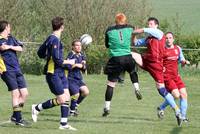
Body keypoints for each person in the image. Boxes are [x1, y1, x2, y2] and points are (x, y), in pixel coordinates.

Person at [131, 17, 183, 126]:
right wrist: (133, 35)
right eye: (148, 24)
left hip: (155, 64)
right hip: (147, 60)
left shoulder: (158, 33)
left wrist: (132, 31)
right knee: (130, 55)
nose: (149, 25)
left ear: (156, 25)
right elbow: (135, 43)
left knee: (161, 89)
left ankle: (177, 111)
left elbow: (142, 30)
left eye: (151, 24)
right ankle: (124, 77)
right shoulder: (149, 38)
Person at [31, 17, 77, 130]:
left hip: (60, 72)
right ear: (62, 27)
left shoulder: (50, 38)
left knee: (67, 97)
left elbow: (40, 53)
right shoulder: (54, 39)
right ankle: (37, 108)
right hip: (53, 73)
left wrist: (48, 56)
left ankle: (64, 124)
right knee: (62, 99)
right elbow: (57, 60)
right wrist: (69, 61)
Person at [102, 13, 142, 117]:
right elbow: (134, 32)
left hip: (115, 58)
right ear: (125, 20)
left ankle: (107, 107)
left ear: (115, 20)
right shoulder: (130, 28)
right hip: (128, 57)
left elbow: (106, 45)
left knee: (111, 84)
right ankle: (137, 88)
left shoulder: (109, 30)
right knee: (133, 72)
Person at [0, 20, 29, 126]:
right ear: (5, 27)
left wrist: (10, 47)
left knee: (24, 94)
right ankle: (18, 119)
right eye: (9, 27)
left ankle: (15, 116)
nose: (10, 28)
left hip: (17, 69)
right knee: (15, 94)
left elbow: (20, 48)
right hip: (6, 70)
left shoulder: (11, 38)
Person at [157, 32, 190, 122]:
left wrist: (184, 62)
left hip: (176, 76)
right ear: (165, 39)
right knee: (176, 95)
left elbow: (181, 59)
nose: (168, 39)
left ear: (173, 39)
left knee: (184, 94)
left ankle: (183, 117)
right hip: (167, 77)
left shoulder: (177, 48)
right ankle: (161, 107)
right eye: (166, 38)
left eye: (170, 38)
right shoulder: (162, 49)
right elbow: (157, 62)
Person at [65, 39, 89, 116]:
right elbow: (67, 67)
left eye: (80, 45)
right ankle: (72, 111)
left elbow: (84, 67)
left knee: (86, 92)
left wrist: (81, 65)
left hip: (78, 78)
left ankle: (74, 106)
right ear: (73, 47)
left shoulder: (82, 55)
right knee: (76, 94)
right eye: (77, 45)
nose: (79, 47)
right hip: (70, 78)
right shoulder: (71, 55)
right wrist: (75, 65)